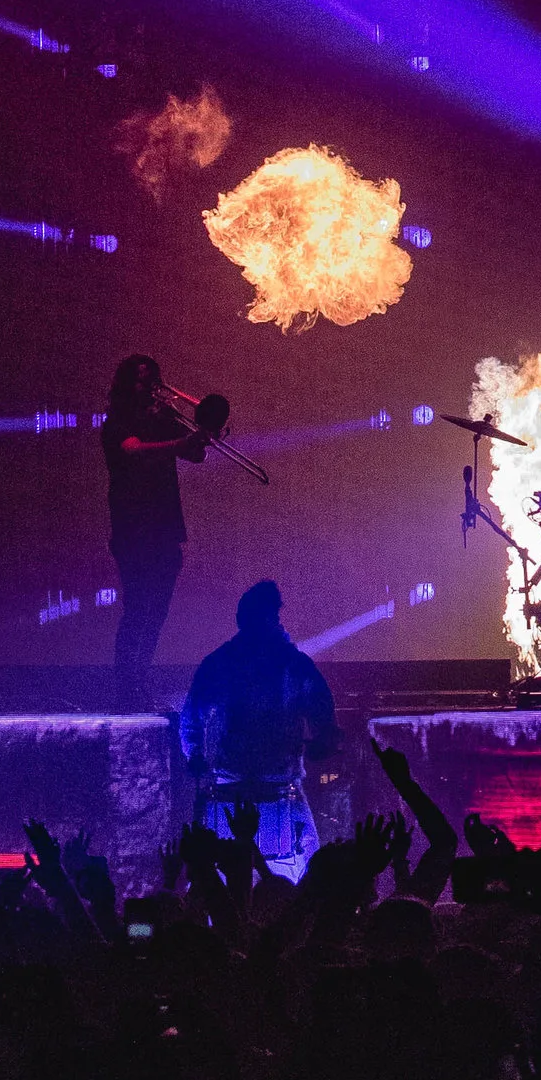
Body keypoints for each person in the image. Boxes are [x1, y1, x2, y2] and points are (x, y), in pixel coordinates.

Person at [178, 580, 338, 877]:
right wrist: (322, 740)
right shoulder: (292, 663)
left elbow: (191, 716)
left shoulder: (225, 662)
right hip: (267, 783)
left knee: (207, 871)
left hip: (245, 782)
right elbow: (323, 715)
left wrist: (195, 755)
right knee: (312, 868)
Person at [101, 354, 219, 706]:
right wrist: (178, 444)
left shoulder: (165, 417)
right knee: (138, 606)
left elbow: (197, 455)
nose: (150, 386)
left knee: (157, 610)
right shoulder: (116, 420)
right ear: (125, 383)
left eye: (153, 378)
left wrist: (207, 429)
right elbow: (132, 451)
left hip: (165, 526)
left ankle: (139, 683)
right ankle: (126, 688)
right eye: (141, 379)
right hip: (133, 526)